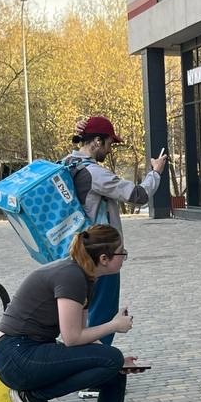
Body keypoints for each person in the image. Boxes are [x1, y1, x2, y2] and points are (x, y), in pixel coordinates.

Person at [0, 224, 152, 402]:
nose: (124, 257)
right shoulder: (71, 276)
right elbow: (72, 338)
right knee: (111, 358)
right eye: (122, 253)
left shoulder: (85, 276)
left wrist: (117, 361)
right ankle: (33, 396)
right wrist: (114, 325)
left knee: (114, 370)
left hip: (28, 351)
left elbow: (83, 334)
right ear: (104, 258)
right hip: (16, 355)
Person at [63, 115, 168, 347]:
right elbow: (138, 196)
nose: (110, 150)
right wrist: (156, 172)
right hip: (102, 253)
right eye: (110, 143)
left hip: (78, 250)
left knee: (84, 314)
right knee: (103, 313)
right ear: (97, 141)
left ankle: (86, 363)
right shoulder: (95, 173)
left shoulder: (67, 163)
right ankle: (100, 366)